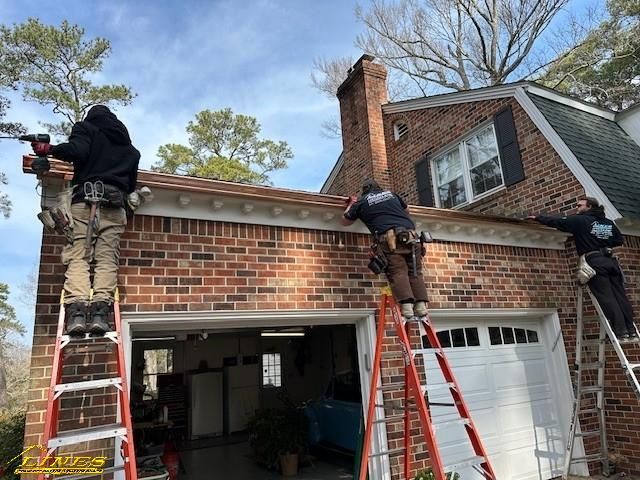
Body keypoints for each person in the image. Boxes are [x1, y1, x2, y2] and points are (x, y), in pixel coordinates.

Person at [32, 105, 140, 336]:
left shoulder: (86, 128)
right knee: (107, 259)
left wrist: (50, 149)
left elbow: (77, 152)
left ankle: (78, 314)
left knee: (79, 255)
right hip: (115, 207)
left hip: (85, 203)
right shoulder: (131, 151)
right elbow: (130, 186)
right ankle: (101, 313)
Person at [528, 197, 638, 343]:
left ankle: (621, 332)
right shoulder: (608, 223)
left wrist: (538, 218)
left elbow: (559, 222)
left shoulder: (580, 220)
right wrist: (602, 240)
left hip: (595, 261)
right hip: (611, 262)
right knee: (620, 296)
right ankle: (631, 331)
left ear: (589, 206)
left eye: (580, 205)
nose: (577, 208)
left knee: (607, 297)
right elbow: (619, 240)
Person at [342, 179, 429, 319]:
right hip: (412, 237)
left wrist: (351, 204)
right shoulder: (392, 195)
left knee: (398, 271)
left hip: (390, 240)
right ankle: (421, 306)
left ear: (364, 190)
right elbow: (407, 211)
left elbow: (345, 221)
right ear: (379, 188)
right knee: (415, 271)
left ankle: (407, 307)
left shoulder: (362, 202)